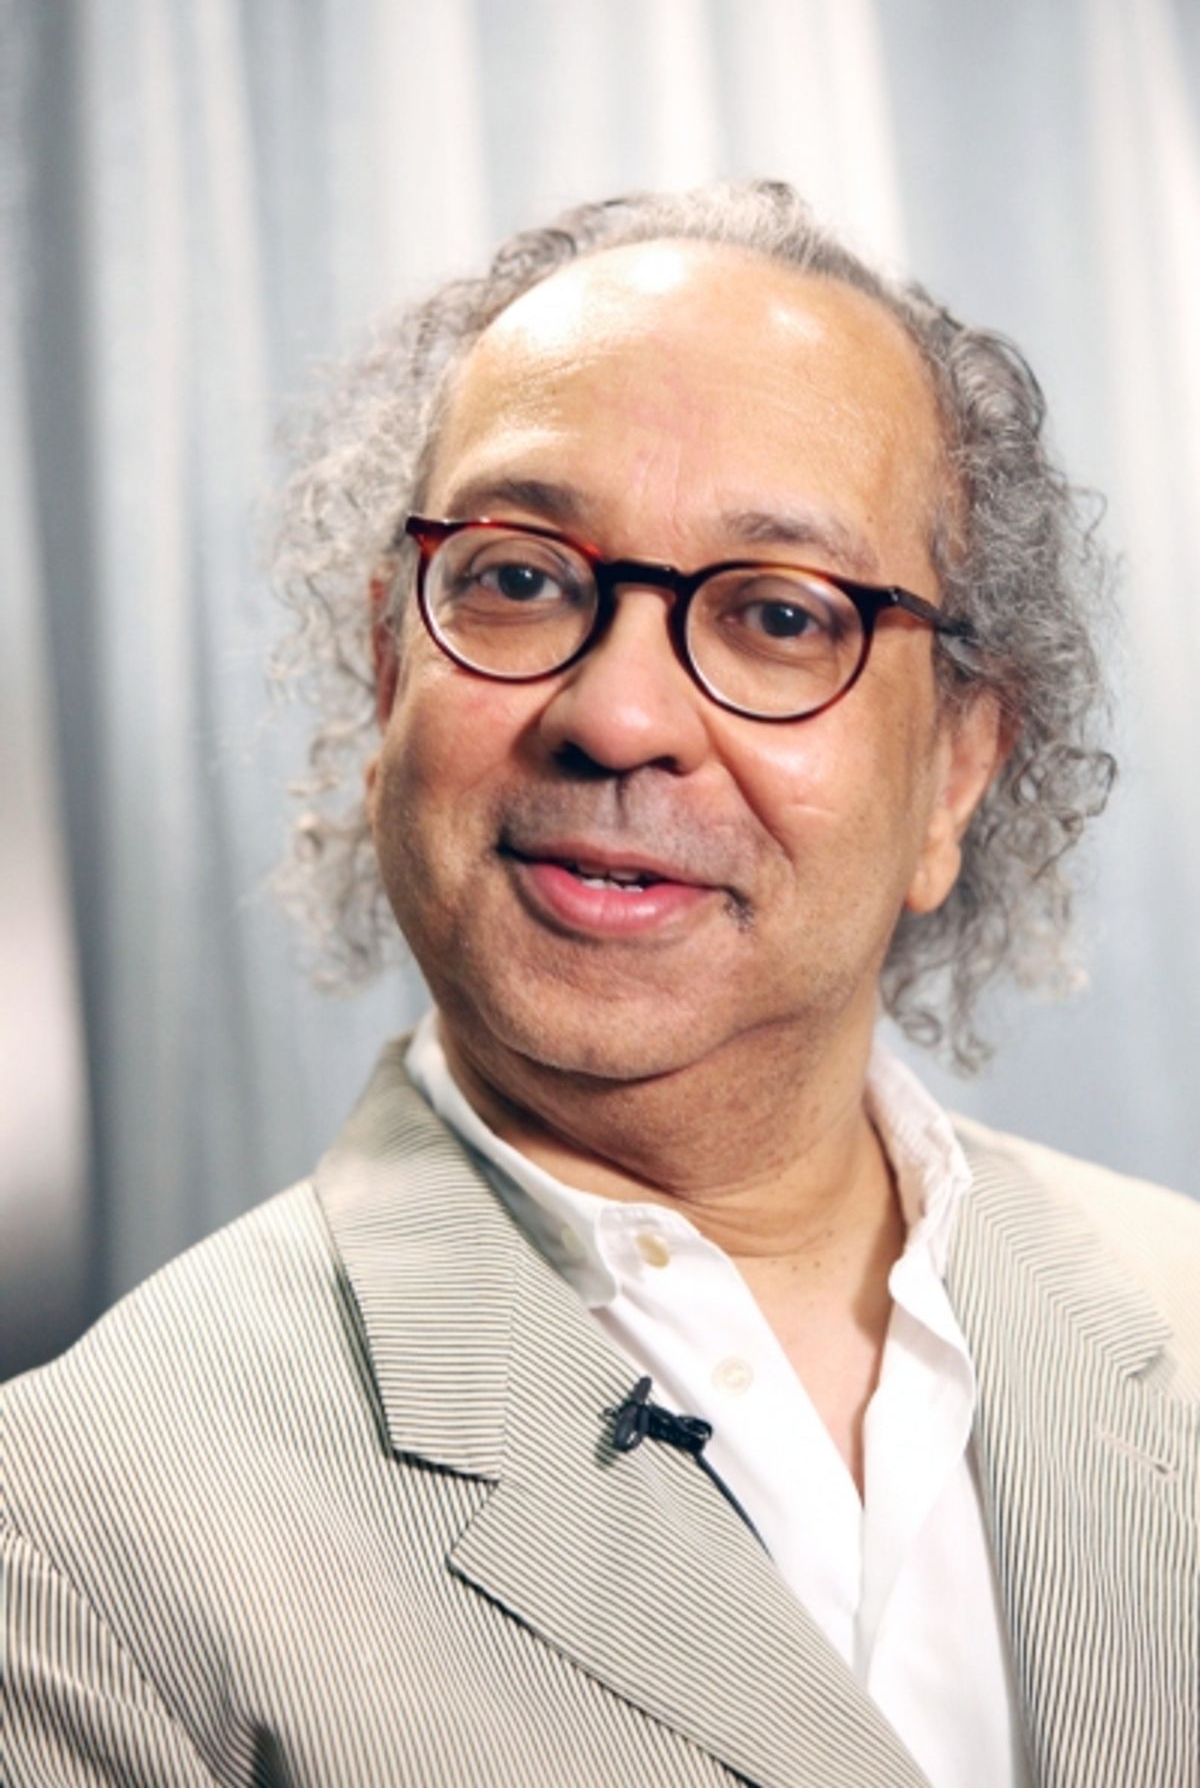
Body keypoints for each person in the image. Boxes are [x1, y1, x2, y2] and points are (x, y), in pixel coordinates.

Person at [4, 183, 1197, 1788]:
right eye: (516, 580)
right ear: (389, 675)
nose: (619, 715)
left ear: (957, 776)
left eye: (782, 614)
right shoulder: (73, 1538)